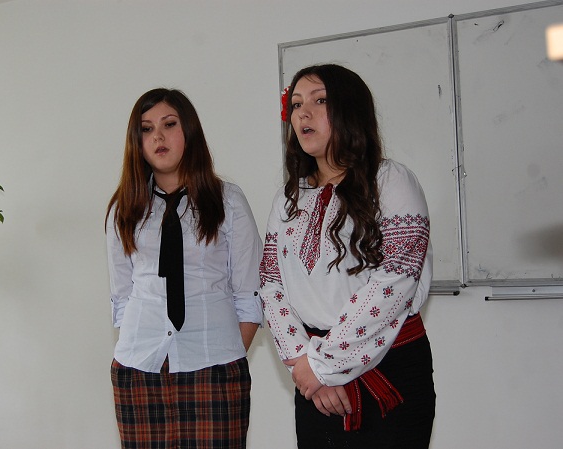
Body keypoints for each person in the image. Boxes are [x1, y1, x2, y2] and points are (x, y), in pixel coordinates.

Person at [259, 64, 436, 448]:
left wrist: (324, 365)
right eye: (297, 104)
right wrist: (306, 366)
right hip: (313, 381)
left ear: (350, 110)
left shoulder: (390, 181)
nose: (303, 114)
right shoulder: (288, 199)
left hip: (388, 371)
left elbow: (396, 280)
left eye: (320, 101)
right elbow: (271, 284)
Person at [105, 88, 263, 449]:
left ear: (189, 131)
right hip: (139, 369)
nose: (158, 137)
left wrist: (223, 354)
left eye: (169, 124)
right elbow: (122, 297)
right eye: (146, 129)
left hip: (215, 368)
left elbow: (250, 294)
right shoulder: (124, 209)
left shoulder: (227, 201)